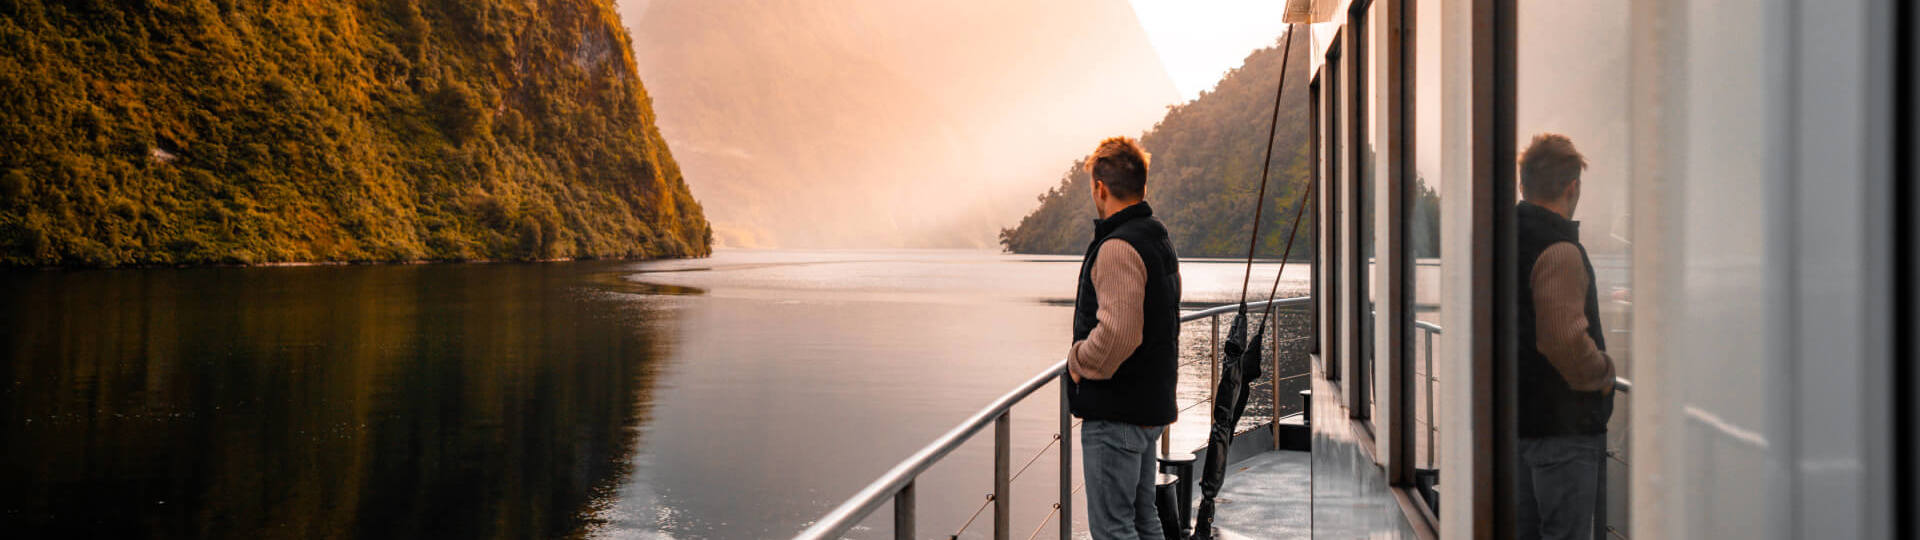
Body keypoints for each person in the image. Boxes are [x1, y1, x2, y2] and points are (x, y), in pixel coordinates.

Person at [1066, 136, 1182, 540]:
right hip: (1147, 408)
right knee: (1143, 520)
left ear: (1100, 188)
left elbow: (1118, 335)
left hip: (1117, 415)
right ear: (1142, 185)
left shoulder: (1118, 247)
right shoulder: (1155, 235)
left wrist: (1078, 360)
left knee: (1114, 530)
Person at [1513, 133, 1617, 540]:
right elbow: (1563, 341)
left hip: (1516, 423)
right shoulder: (1558, 249)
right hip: (1562, 431)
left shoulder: (1501, 240)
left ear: (1524, 185)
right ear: (1572, 187)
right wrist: (1604, 374)